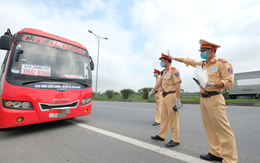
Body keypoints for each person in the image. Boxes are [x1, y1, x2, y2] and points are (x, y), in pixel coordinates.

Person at [169, 39, 238, 163]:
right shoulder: (202, 64)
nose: (201, 53)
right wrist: (173, 58)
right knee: (209, 127)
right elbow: (188, 61)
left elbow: (229, 82)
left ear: (211, 51)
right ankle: (215, 152)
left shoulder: (222, 64)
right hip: (203, 99)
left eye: (203, 50)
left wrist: (211, 84)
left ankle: (230, 159)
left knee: (222, 129)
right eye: (200, 50)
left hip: (215, 98)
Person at [148, 52, 182, 147]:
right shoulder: (163, 72)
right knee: (163, 117)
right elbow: (158, 83)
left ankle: (175, 139)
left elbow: (178, 85)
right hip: (164, 96)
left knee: (173, 119)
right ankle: (161, 135)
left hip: (171, 96)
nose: (161, 62)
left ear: (166, 61)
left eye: (162, 61)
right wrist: (152, 91)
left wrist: (177, 100)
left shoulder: (174, 71)